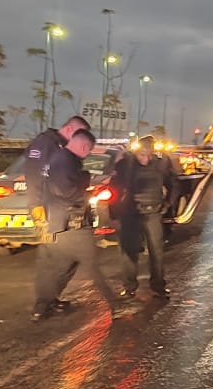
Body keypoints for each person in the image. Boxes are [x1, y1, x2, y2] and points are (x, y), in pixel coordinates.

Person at [32, 128, 119, 321]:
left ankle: (43, 306)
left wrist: (85, 178)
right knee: (91, 263)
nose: (88, 154)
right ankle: (116, 305)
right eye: (88, 150)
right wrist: (89, 195)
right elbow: (65, 190)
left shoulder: (62, 159)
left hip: (59, 223)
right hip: (71, 222)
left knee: (61, 266)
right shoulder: (64, 162)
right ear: (83, 145)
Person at [24, 115, 91, 315]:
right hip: (47, 212)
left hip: (60, 211)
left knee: (64, 257)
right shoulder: (45, 144)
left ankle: (48, 300)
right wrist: (37, 208)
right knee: (51, 258)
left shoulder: (59, 147)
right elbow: (34, 176)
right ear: (70, 130)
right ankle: (43, 304)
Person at [113, 135, 179, 300]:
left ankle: (158, 286)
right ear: (136, 152)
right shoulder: (126, 166)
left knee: (156, 252)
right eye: (142, 154)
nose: (146, 158)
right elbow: (115, 189)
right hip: (130, 214)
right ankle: (129, 287)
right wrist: (114, 214)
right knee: (128, 252)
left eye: (149, 154)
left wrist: (168, 204)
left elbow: (173, 184)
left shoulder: (161, 164)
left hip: (153, 214)